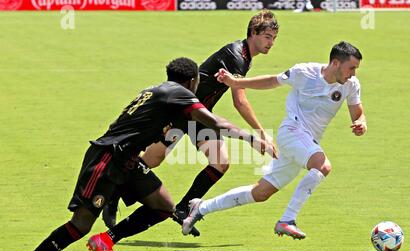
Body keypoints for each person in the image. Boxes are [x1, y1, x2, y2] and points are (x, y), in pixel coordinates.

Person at [7, 57, 275, 251]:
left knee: (164, 206)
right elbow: (213, 122)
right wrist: (250, 137)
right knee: (80, 224)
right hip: (107, 159)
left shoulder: (160, 91)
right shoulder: (178, 93)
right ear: (192, 81)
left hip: (128, 160)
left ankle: (107, 239)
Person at [101, 9, 280, 234]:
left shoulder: (245, 58)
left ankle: (183, 209)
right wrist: (260, 133)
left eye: (274, 38)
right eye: (267, 37)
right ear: (253, 33)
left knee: (220, 162)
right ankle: (113, 193)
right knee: (152, 159)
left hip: (199, 115)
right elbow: (240, 102)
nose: (271, 43)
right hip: (182, 111)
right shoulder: (236, 56)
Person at [182, 41, 367, 240]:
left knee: (261, 192)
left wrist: (360, 123)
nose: (353, 74)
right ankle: (287, 220)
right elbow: (271, 81)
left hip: (306, 143)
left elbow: (358, 113)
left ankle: (200, 207)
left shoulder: (351, 85)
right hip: (292, 132)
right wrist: (236, 83)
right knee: (322, 166)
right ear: (336, 63)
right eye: (352, 68)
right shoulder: (304, 72)